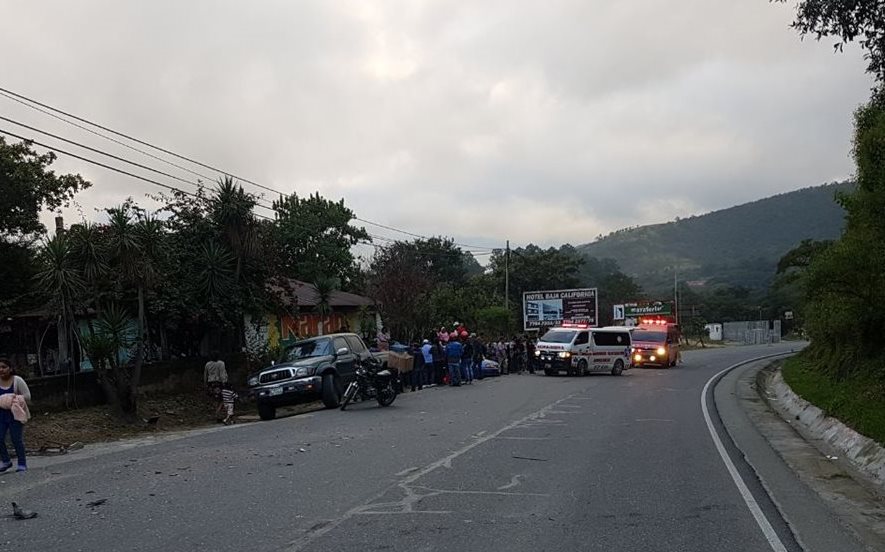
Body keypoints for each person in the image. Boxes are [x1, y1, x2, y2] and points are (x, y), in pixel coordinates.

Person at [0, 357, 31, 472]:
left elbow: (27, 396)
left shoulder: (17, 380)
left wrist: (12, 399)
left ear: (10, 368)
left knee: (16, 439)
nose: (1, 370)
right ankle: (6, 461)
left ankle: (22, 463)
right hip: (1, 415)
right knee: (0, 438)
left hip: (15, 414)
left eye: (4, 367)